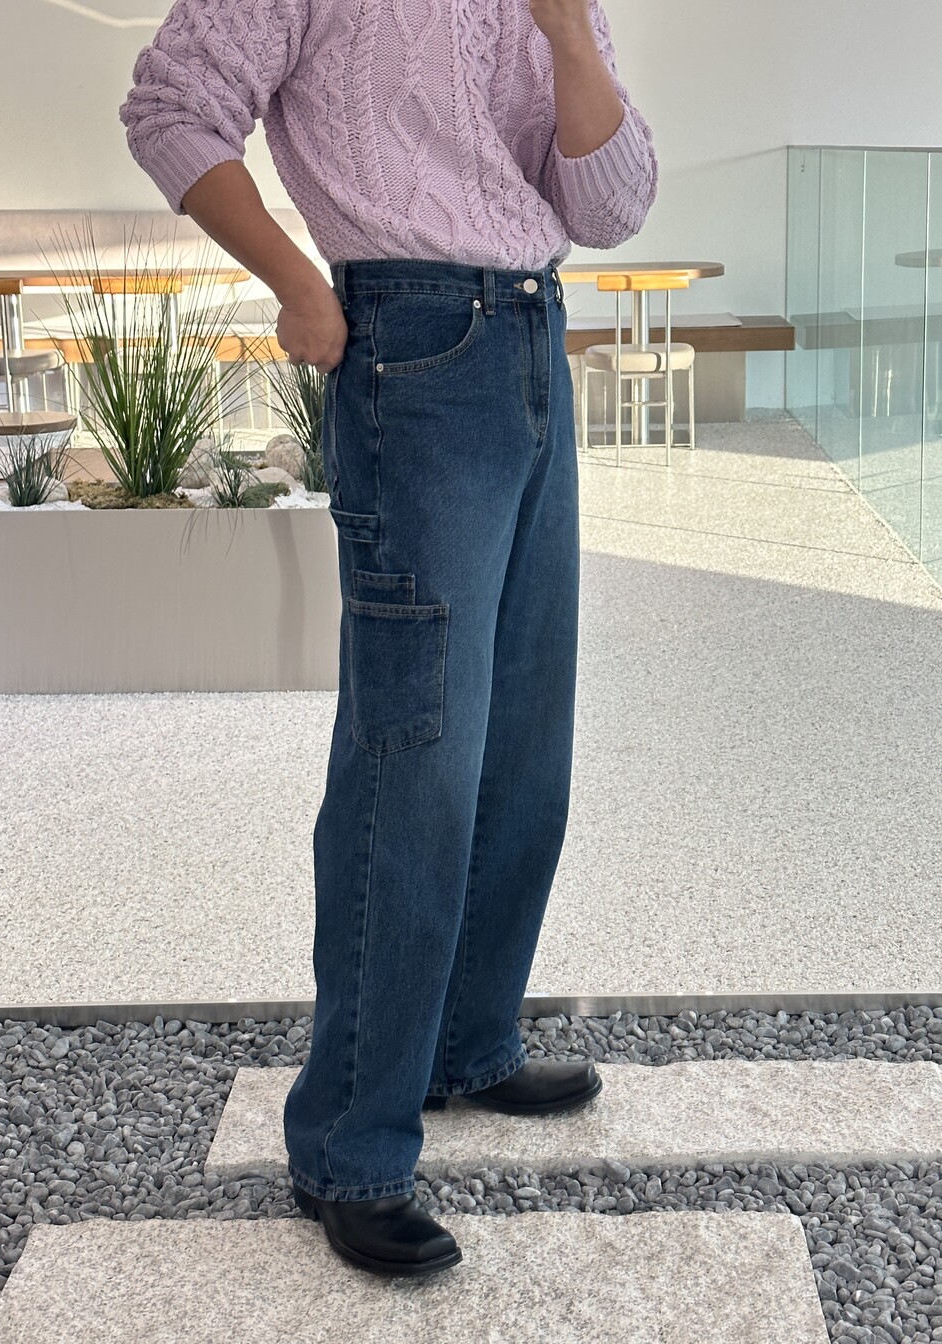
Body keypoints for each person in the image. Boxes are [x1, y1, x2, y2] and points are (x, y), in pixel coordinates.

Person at [120, 0, 658, 1279]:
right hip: (410, 344)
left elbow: (611, 207)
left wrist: (567, 35)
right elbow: (170, 107)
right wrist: (296, 280)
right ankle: (350, 1147)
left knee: (522, 742)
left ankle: (469, 1042)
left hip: (533, 333)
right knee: (410, 758)